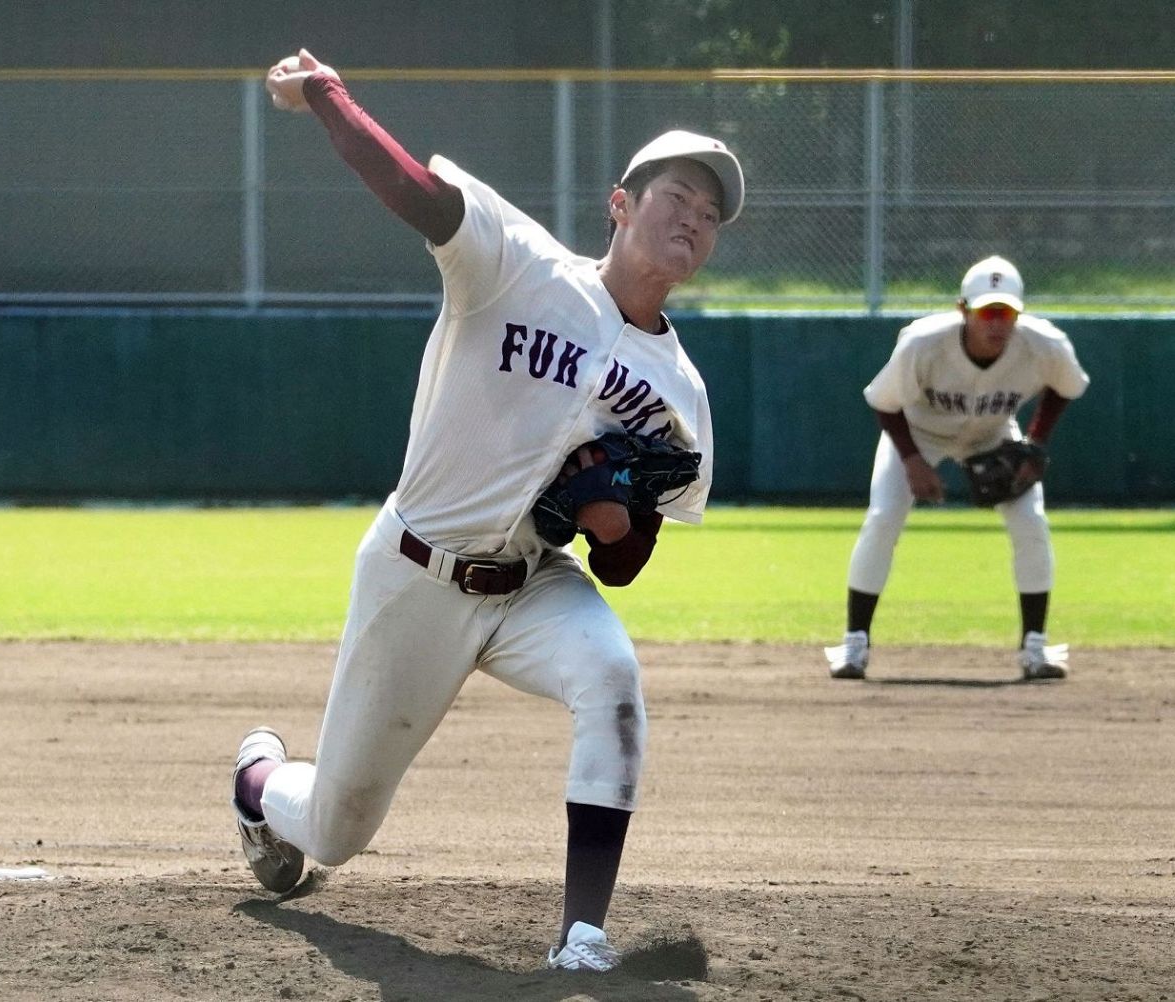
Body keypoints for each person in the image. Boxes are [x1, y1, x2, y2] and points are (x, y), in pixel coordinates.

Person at [231, 48, 744, 972]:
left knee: (614, 683)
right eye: (677, 197)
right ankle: (257, 779)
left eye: (710, 215)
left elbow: (628, 561)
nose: (694, 219)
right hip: (416, 573)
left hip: (531, 589)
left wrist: (612, 523)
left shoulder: (681, 393)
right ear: (621, 204)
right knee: (338, 830)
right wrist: (327, 96)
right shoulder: (517, 266)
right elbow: (416, 192)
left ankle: (582, 937)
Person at [825, 255, 1089, 681]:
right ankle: (854, 644)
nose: (996, 323)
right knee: (883, 517)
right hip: (916, 431)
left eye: (1006, 312)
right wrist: (912, 461)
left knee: (1032, 522)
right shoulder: (923, 343)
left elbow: (1067, 387)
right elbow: (884, 402)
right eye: (987, 311)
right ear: (963, 309)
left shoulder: (1045, 344)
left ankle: (1036, 648)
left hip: (994, 433)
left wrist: (1036, 442)